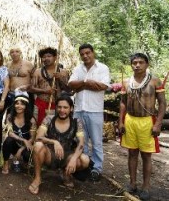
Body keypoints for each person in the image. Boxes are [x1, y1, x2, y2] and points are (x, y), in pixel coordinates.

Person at [119, 53, 166, 200]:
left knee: (146, 155)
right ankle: (132, 184)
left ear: (147, 64)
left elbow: (162, 103)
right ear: (131, 65)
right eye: (134, 63)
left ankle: (146, 187)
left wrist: (158, 123)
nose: (137, 65)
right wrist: (120, 121)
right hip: (130, 120)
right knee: (132, 153)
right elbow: (123, 102)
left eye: (140, 62)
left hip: (147, 121)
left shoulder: (155, 81)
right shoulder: (127, 82)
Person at [28, 96, 90, 195]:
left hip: (67, 156)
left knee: (85, 160)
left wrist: (74, 158)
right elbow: (38, 137)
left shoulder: (76, 122)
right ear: (56, 108)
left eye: (65, 107)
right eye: (59, 107)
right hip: (50, 155)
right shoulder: (49, 118)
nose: (62, 110)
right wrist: (54, 142)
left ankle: (66, 173)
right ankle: (37, 178)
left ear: (71, 108)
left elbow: (81, 143)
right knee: (38, 145)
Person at [68, 43, 110, 181]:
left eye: (88, 53)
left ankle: (97, 169)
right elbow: (71, 84)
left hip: (95, 110)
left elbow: (103, 86)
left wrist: (82, 84)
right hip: (79, 110)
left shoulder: (103, 68)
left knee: (97, 142)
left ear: (93, 53)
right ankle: (85, 166)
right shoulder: (78, 68)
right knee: (81, 140)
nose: (85, 56)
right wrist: (87, 82)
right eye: (82, 54)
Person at [31, 47, 70, 126]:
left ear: (55, 57)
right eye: (44, 57)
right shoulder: (37, 72)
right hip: (40, 104)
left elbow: (68, 89)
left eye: (49, 56)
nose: (46, 59)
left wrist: (60, 79)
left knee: (54, 127)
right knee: (38, 127)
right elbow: (31, 88)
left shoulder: (63, 72)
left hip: (57, 105)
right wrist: (45, 91)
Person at [1, 90, 37, 174]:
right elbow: (10, 133)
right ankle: (6, 163)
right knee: (8, 140)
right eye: (17, 103)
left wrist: (21, 149)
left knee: (28, 154)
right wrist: (23, 140)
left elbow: (32, 138)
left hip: (26, 146)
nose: (19, 106)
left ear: (26, 106)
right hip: (14, 144)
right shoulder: (10, 117)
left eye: (22, 104)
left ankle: (24, 161)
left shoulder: (31, 120)